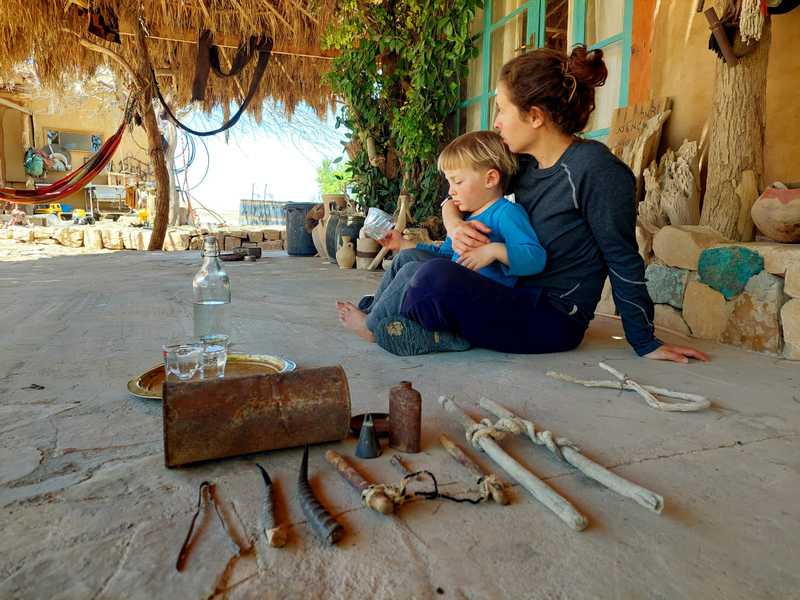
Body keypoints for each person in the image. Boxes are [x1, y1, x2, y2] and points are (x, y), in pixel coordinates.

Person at [372, 45, 709, 363]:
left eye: (502, 109)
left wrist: (644, 341)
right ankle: (393, 321)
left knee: (433, 276)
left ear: (534, 116)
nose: (497, 122)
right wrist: (454, 223)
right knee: (414, 258)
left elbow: (622, 258)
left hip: (553, 318)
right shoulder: (524, 164)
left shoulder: (598, 171)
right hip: (508, 292)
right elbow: (460, 192)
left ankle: (420, 328)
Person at [337, 131, 547, 350]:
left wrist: (493, 251)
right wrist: (402, 245)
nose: (450, 191)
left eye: (457, 181)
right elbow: (445, 255)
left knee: (412, 271)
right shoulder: (466, 218)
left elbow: (535, 258)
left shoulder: (506, 213)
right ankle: (376, 313)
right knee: (407, 258)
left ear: (490, 179)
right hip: (454, 287)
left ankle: (370, 327)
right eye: (449, 182)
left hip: (482, 301)